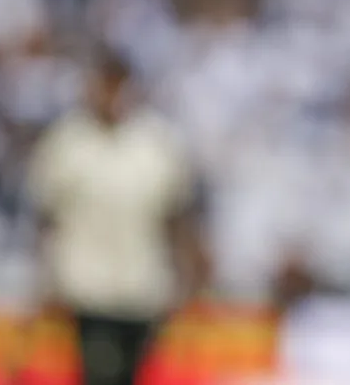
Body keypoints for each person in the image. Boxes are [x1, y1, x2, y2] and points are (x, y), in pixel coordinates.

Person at [23, 47, 211, 385]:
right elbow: (46, 218)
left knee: (129, 375)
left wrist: (189, 274)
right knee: (101, 373)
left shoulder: (156, 143)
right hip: (88, 288)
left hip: (143, 289)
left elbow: (177, 216)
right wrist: (44, 277)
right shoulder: (68, 142)